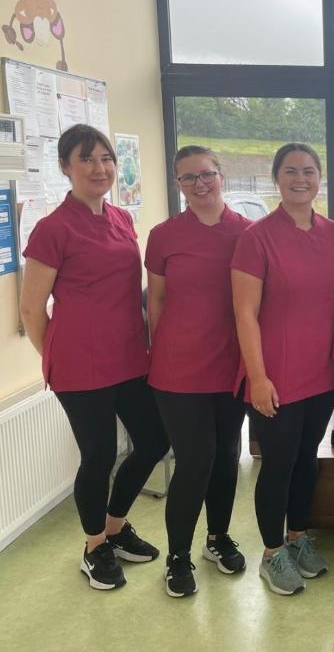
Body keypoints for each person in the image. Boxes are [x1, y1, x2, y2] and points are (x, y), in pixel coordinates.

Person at [19, 124, 168, 591]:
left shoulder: (121, 219)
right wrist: (59, 356)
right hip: (79, 367)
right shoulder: (52, 229)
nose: (99, 168)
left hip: (129, 357)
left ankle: (116, 526)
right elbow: (30, 309)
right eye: (86, 158)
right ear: (65, 167)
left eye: (106, 158)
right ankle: (94, 546)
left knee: (154, 440)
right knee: (99, 455)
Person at [231, 143, 334, 596]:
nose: (301, 179)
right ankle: (272, 552)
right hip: (275, 374)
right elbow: (244, 313)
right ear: (276, 178)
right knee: (278, 463)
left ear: (320, 178)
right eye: (291, 171)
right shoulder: (256, 237)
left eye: (309, 171)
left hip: (321, 371)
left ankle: (297, 537)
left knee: (307, 459)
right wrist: (257, 377)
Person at [145, 145, 251, 597]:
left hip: (231, 366)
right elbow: (156, 300)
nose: (199, 184)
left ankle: (218, 538)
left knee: (227, 456)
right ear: (178, 185)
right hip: (178, 370)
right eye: (188, 178)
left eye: (206, 174)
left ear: (221, 175)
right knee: (195, 461)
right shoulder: (164, 235)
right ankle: (177, 556)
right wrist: (159, 352)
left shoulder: (248, 232)